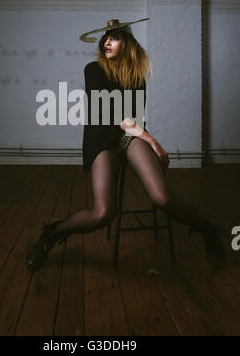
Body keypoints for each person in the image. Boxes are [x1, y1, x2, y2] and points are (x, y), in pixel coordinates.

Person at [26, 18, 226, 272]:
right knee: (102, 213)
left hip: (129, 136)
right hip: (102, 140)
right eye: (106, 38)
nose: (107, 42)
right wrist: (154, 142)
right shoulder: (93, 70)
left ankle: (207, 229)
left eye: (115, 37)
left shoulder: (136, 75)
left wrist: (144, 139)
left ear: (128, 44)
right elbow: (113, 113)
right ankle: (51, 234)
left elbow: (133, 117)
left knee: (162, 197)